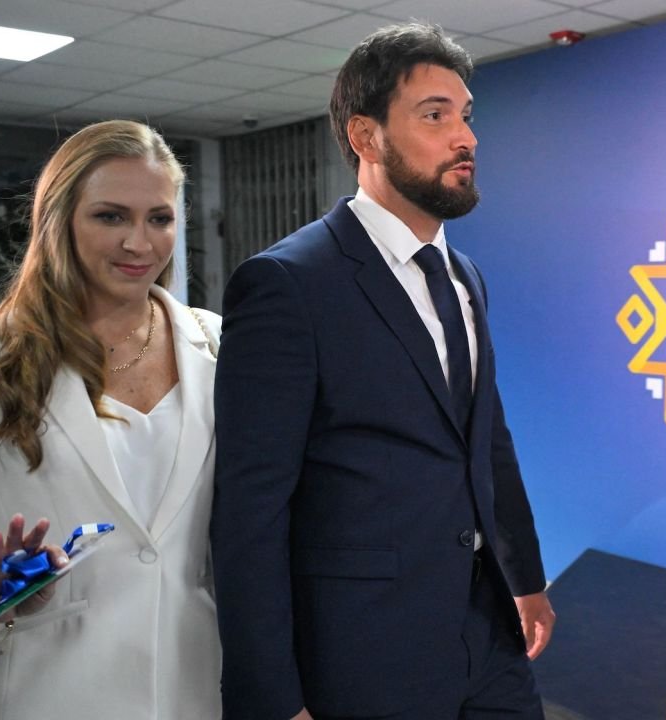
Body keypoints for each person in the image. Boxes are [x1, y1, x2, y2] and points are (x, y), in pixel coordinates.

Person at [212, 23, 555, 720]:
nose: (466, 137)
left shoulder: (466, 279)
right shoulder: (287, 284)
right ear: (366, 138)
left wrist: (526, 578)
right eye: (435, 115)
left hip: (487, 640)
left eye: (466, 115)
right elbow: (250, 512)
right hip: (363, 655)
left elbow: (486, 442)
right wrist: (273, 698)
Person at [0, 120, 221, 719]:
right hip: (55, 684)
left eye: (159, 217)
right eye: (110, 216)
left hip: (197, 678)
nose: (139, 243)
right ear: (59, 219)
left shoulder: (216, 343)